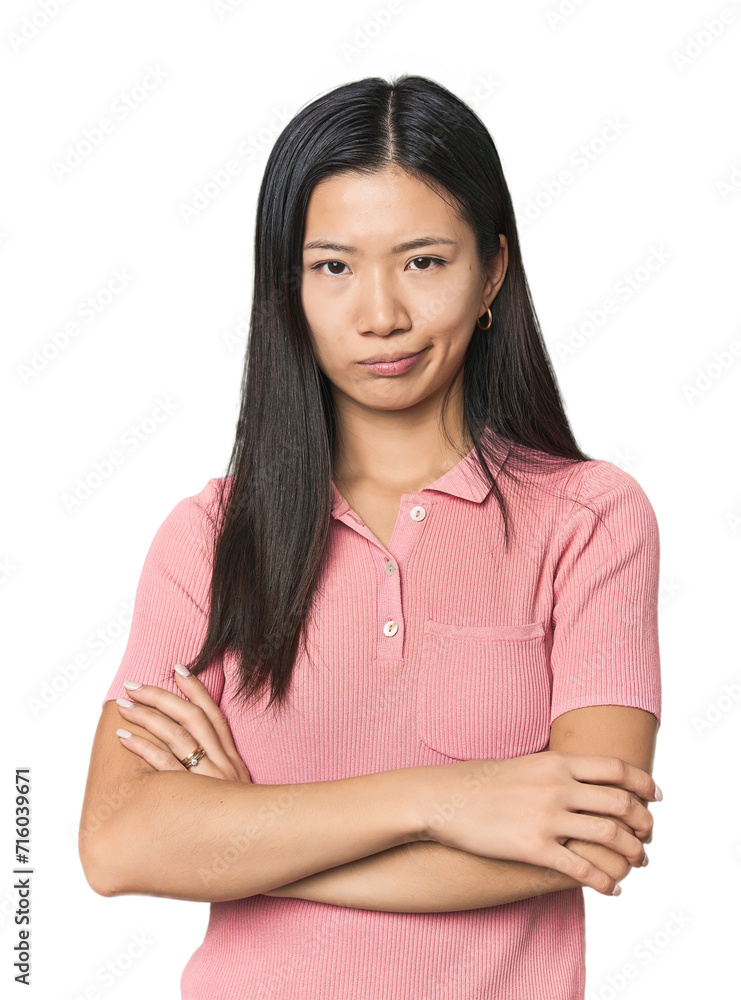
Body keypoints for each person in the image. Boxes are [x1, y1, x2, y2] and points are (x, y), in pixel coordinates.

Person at [78, 74, 662, 1000]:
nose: (380, 314)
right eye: (333, 267)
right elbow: (116, 842)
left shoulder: (589, 519)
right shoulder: (209, 538)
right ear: (288, 287)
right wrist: (446, 800)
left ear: (492, 272)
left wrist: (245, 834)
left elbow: (588, 837)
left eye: (423, 261)